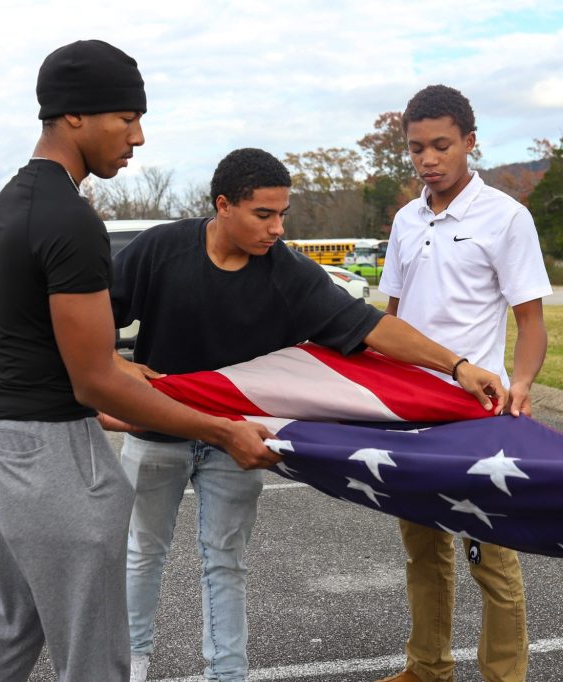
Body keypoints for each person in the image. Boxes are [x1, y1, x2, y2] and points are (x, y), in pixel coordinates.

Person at [110, 148, 510, 682]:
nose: (277, 229)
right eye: (263, 215)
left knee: (224, 560)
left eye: (283, 215)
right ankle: (128, 665)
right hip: (156, 427)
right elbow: (90, 321)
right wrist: (113, 364)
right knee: (143, 553)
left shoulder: (287, 270)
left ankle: (226, 674)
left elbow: (370, 326)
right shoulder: (160, 249)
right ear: (223, 206)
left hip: (241, 436)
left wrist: (456, 366)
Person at [0, 41, 274, 682]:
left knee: (14, 624)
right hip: (47, 451)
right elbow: (94, 377)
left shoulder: (9, 204)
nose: (139, 137)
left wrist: (132, 378)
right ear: (75, 115)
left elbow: (46, 348)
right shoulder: (70, 221)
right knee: (96, 654)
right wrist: (222, 430)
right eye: (126, 119)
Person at [376, 85, 552, 682]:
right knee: (423, 553)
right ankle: (427, 668)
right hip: (410, 412)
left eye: (441, 145)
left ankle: (504, 676)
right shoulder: (404, 220)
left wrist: (522, 382)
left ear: (469, 143)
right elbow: (390, 320)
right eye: (417, 148)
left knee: (491, 560)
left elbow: (530, 319)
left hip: (477, 416)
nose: (428, 159)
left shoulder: (506, 217)